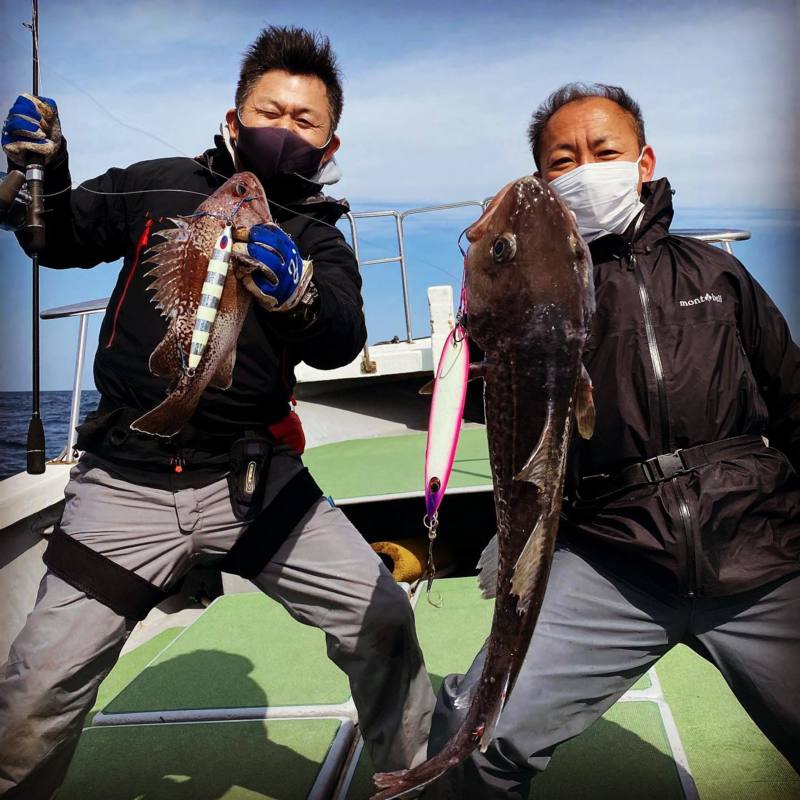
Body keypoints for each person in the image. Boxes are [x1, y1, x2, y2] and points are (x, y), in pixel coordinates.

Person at [0, 26, 435, 798]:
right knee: (33, 696)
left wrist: (298, 295)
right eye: (270, 112)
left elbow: (341, 337)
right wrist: (41, 173)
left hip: (253, 482)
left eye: (306, 122)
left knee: (383, 622)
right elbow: (58, 234)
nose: (284, 132)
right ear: (233, 121)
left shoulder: (319, 237)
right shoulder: (158, 184)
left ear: (331, 146)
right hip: (122, 482)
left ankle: (415, 779)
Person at [425, 82, 800, 798]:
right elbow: (490, 407)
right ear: (545, 184)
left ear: (644, 160)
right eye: (563, 159)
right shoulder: (530, 295)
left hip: (761, 544)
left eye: (605, 150)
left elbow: (791, 398)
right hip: (610, 550)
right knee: (473, 736)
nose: (586, 167)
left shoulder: (716, 271)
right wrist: (487, 298)